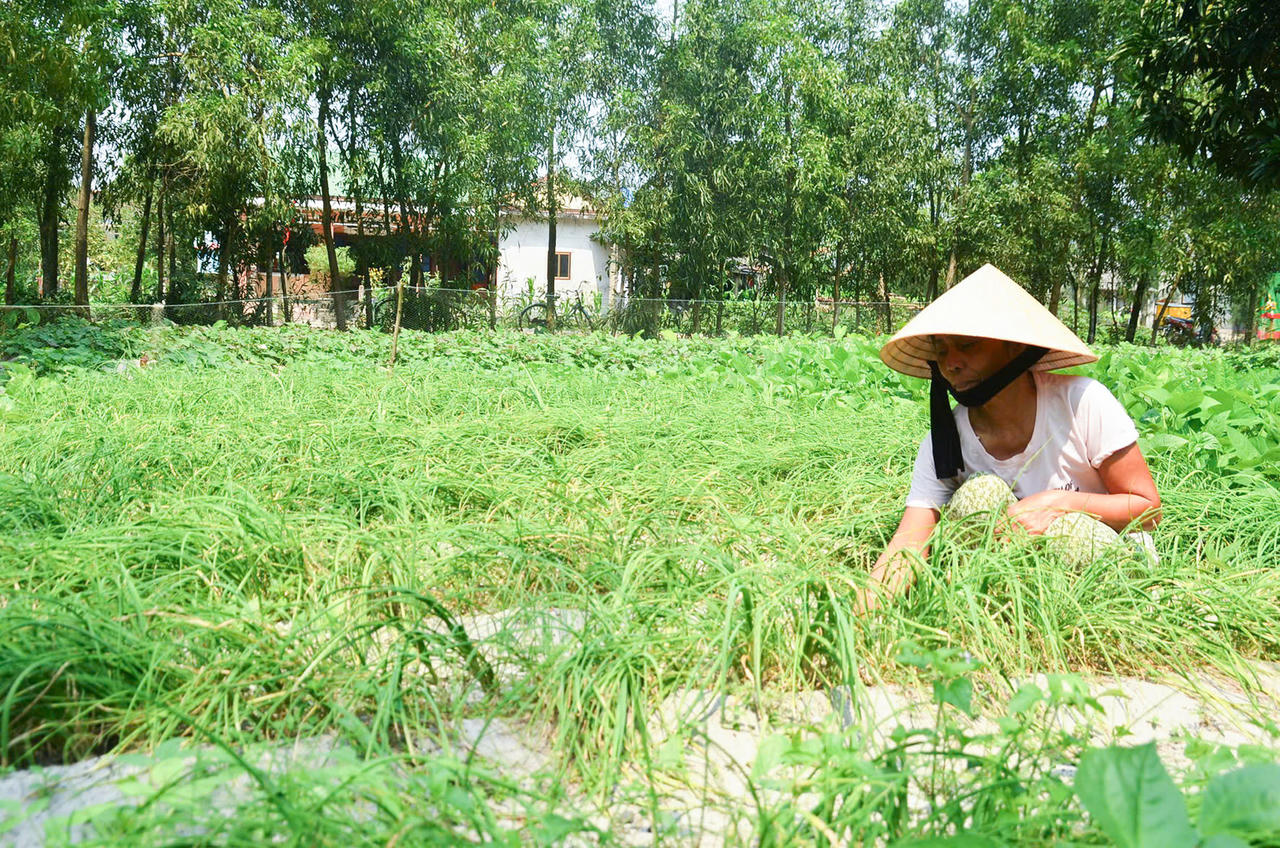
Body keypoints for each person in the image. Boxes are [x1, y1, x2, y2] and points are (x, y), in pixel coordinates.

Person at [860, 264, 1161, 612]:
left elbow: (1147, 508)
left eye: (968, 345)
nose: (951, 363)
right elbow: (909, 541)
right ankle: (984, 617)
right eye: (941, 350)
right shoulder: (946, 440)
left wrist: (1055, 504)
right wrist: (860, 619)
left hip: (1102, 576)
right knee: (980, 495)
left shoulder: (1082, 402)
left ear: (1015, 348)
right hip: (1013, 588)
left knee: (1072, 531)